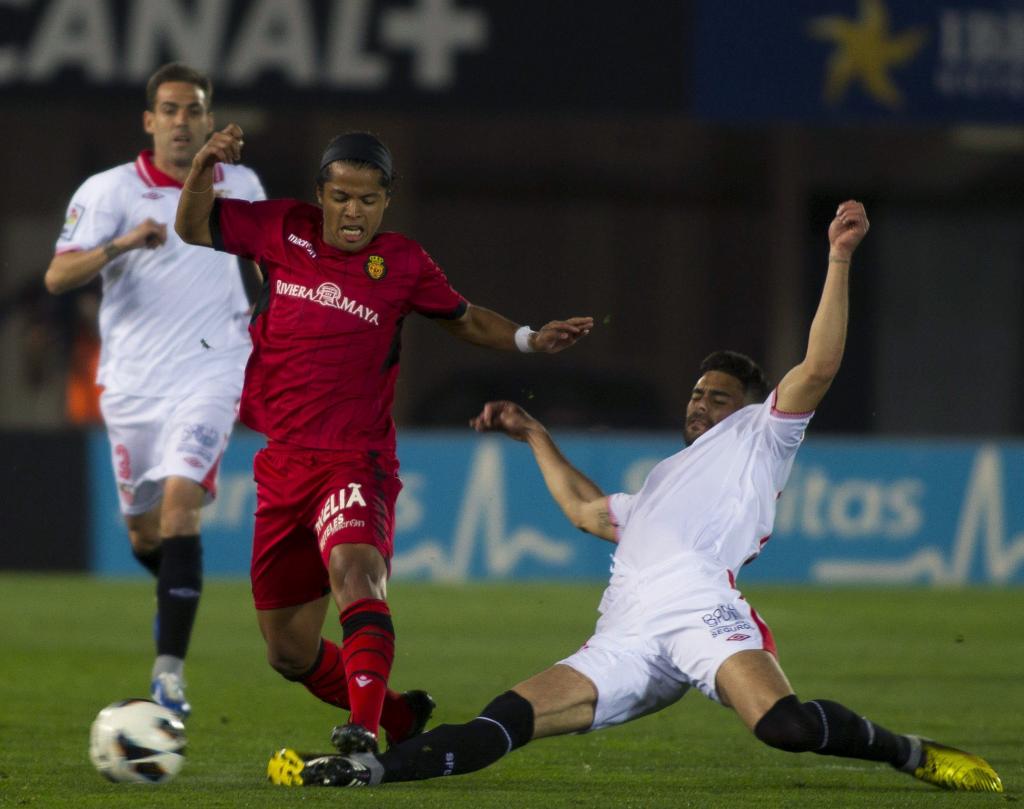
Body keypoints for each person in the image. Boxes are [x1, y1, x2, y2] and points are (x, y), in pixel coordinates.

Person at [266, 201, 1003, 794]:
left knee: (782, 725)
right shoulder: (660, 481)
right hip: (624, 637)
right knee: (505, 716)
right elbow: (588, 511)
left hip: (702, 614)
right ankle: (370, 769)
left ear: (747, 407)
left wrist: (838, 258)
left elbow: (820, 363)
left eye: (717, 396)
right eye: (695, 392)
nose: (700, 404)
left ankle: (912, 753)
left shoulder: (760, 437)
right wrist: (532, 434)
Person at [174, 125, 594, 755]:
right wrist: (204, 165)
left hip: (356, 459)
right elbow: (192, 227)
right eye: (341, 197)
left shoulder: (401, 262)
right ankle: (399, 717)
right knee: (287, 651)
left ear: (386, 200)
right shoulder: (280, 228)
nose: (353, 211)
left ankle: (361, 732)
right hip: (283, 463)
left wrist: (531, 339)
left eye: (367, 200)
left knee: (356, 573)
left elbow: (467, 318)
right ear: (321, 193)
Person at [45, 63, 266, 719]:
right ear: (149, 121)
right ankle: (177, 586)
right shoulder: (110, 190)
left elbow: (270, 262)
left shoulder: (240, 183)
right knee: (145, 534)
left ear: (207, 119)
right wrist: (121, 244)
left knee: (178, 512)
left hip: (213, 368)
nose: (180, 121)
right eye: (168, 109)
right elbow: (58, 276)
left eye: (192, 109)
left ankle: (168, 676)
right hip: (134, 383)